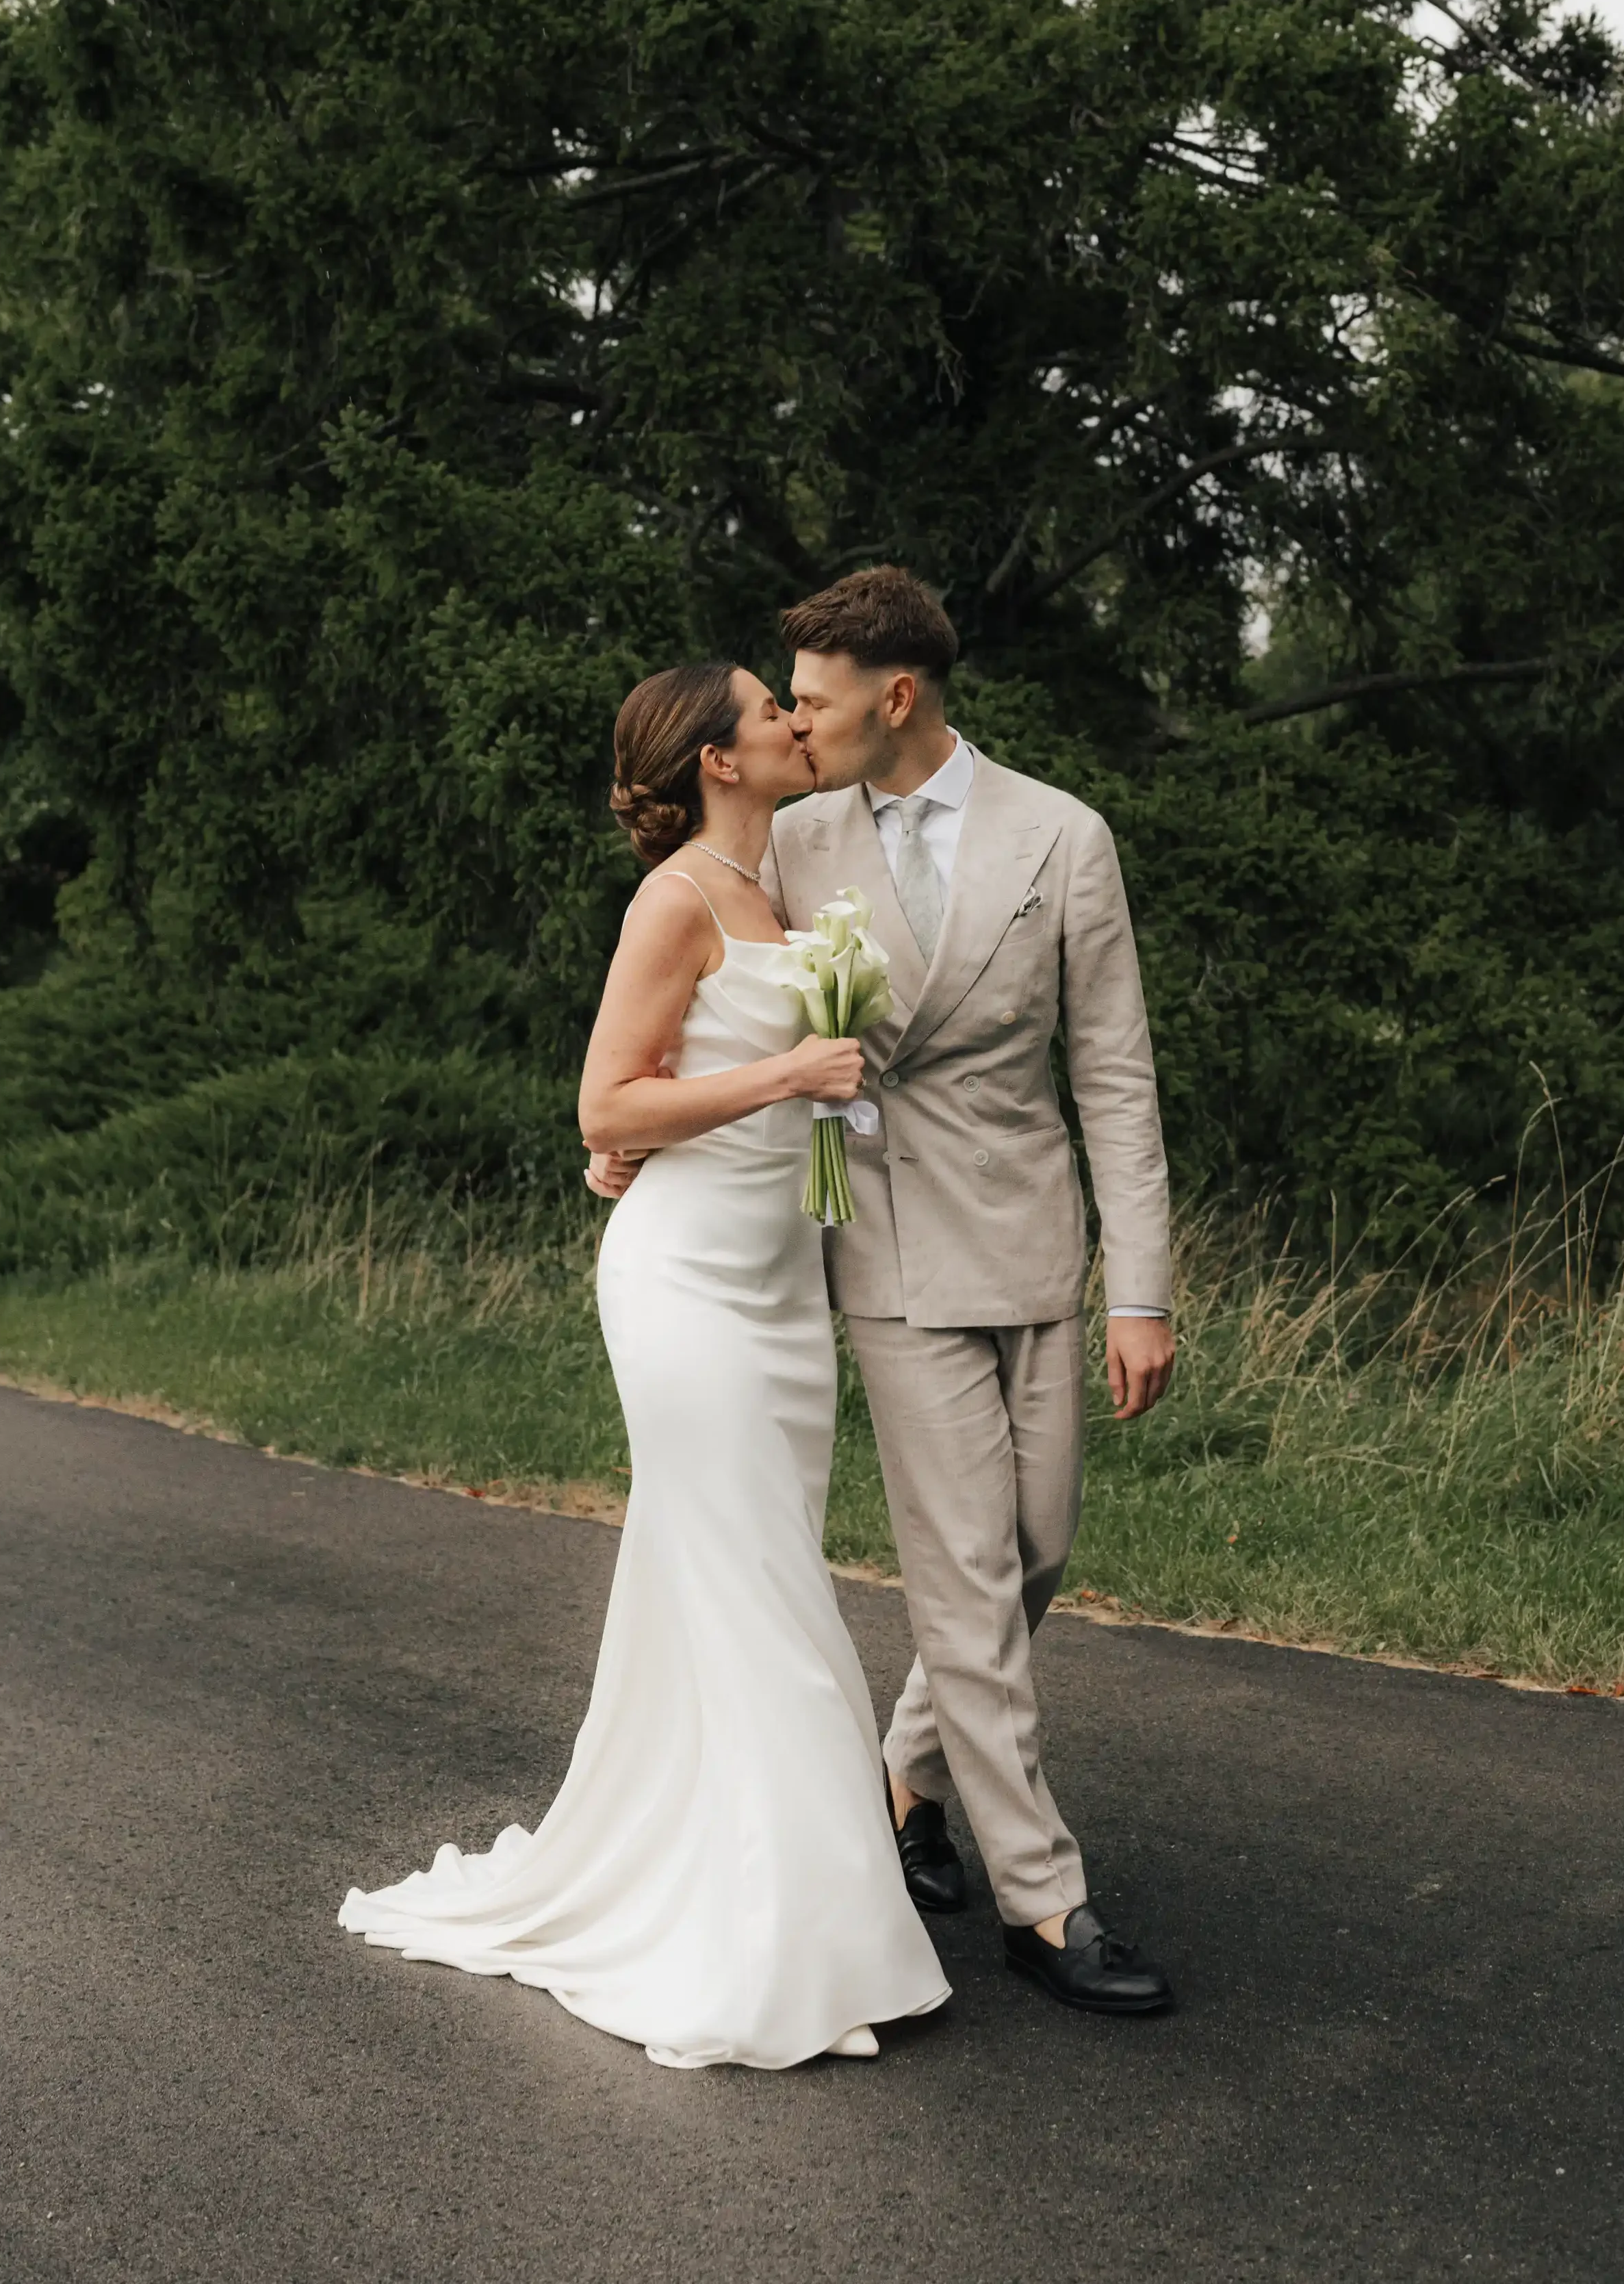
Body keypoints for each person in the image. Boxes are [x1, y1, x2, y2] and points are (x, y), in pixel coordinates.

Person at [340, 663, 950, 2070]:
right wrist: (778, 1083)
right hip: (683, 1289)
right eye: (766, 711)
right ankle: (797, 1943)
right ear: (714, 762)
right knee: (763, 1592)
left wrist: (733, 1110)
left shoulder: (788, 883)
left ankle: (737, 1885)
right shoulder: (674, 898)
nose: (794, 723)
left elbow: (656, 1099)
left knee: (733, 1578)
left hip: (782, 1289)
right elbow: (606, 1098)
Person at [769, 565, 1176, 2016]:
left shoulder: (1060, 837)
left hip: (1030, 1240)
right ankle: (1044, 1904)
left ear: (899, 697)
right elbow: (718, 998)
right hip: (879, 1235)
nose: (792, 724)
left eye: (813, 701)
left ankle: (903, 1776)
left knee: (1034, 1547)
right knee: (961, 1577)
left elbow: (1112, 1075)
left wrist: (1140, 1288)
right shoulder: (792, 840)